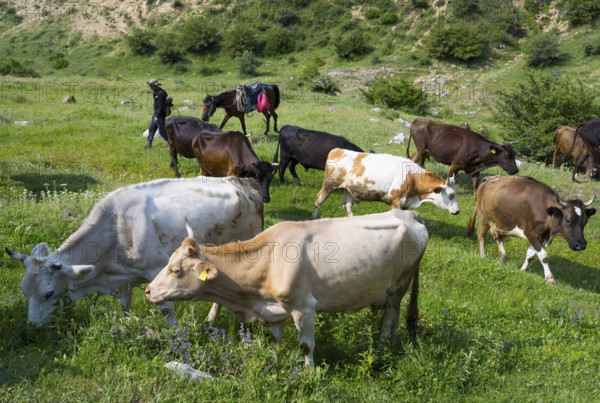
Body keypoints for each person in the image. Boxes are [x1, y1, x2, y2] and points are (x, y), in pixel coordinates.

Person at [145, 79, 169, 148]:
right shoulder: (155, 93)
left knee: (162, 132)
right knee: (151, 128)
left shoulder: (160, 94)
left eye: (151, 86)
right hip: (155, 114)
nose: (150, 87)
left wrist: (157, 116)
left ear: (155, 86)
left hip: (160, 116)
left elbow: (161, 107)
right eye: (150, 86)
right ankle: (149, 144)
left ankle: (171, 143)